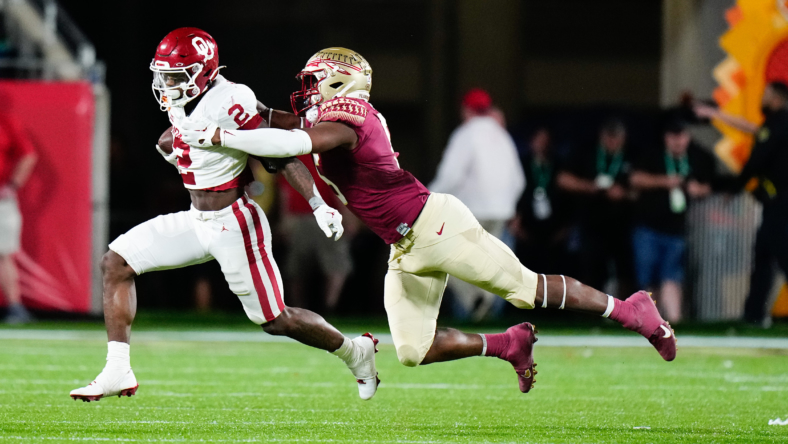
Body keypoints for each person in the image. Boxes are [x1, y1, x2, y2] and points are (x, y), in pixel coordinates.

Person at [179, 47, 677, 394]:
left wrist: (220, 139)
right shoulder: (330, 117)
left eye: (312, 82)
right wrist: (227, 103)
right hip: (405, 245)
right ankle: (508, 343)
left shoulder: (351, 116)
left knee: (526, 288)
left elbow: (292, 143)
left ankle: (630, 309)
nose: (306, 92)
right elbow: (276, 123)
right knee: (413, 351)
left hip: (435, 226)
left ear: (341, 81)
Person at [70, 29, 379, 402]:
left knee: (275, 319)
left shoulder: (229, 99)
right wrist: (176, 145)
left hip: (234, 223)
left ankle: (354, 352)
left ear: (203, 71)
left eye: (175, 75)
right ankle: (117, 369)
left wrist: (317, 202)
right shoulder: (189, 98)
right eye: (163, 74)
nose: (166, 84)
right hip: (196, 219)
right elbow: (181, 136)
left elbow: (276, 154)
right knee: (116, 262)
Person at [695, 81, 788, 326]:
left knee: (779, 256)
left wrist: (733, 189)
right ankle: (753, 315)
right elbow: (754, 130)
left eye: (766, 95)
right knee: (763, 258)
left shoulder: (779, 124)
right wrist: (716, 114)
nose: (762, 99)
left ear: (777, 98)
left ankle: (754, 314)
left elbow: (757, 160)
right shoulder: (777, 125)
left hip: (781, 205)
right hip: (774, 205)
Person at [428, 88, 525, 321]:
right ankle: (484, 301)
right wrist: (507, 205)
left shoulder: (466, 134)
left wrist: (428, 196)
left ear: (467, 109)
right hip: (500, 212)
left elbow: (451, 174)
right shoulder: (502, 136)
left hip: (473, 210)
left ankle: (473, 298)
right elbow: (519, 179)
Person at [629, 120, 714, 323]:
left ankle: (674, 321)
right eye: (673, 137)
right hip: (648, 227)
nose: (677, 142)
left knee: (672, 277)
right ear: (666, 137)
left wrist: (697, 189)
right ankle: (650, 322)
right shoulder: (652, 155)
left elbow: (708, 186)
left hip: (677, 230)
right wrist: (667, 182)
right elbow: (635, 179)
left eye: (681, 136)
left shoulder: (697, 157)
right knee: (649, 278)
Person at [557, 118, 635, 297]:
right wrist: (590, 187)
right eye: (609, 137)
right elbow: (563, 179)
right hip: (592, 223)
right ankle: (590, 314)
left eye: (617, 138)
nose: (613, 142)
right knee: (590, 270)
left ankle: (625, 313)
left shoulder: (633, 154)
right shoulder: (586, 152)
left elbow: (641, 186)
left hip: (623, 225)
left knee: (625, 271)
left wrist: (624, 193)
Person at [278, 154, 353, 312]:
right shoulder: (321, 154)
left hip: (314, 216)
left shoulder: (294, 154)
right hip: (312, 216)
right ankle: (326, 307)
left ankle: (319, 308)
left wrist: (285, 218)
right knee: (301, 268)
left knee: (331, 265)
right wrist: (347, 217)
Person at [510, 127, 569, 275]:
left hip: (554, 230)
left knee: (552, 272)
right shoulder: (520, 165)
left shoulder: (559, 165)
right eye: (538, 140)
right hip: (526, 228)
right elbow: (512, 192)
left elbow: (569, 199)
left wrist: (566, 227)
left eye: (545, 140)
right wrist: (513, 220)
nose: (541, 144)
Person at [0, 113, 37, 324]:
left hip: (1, 199)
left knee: (4, 253)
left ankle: (14, 306)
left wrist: (13, 184)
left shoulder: (6, 122)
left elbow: (28, 154)